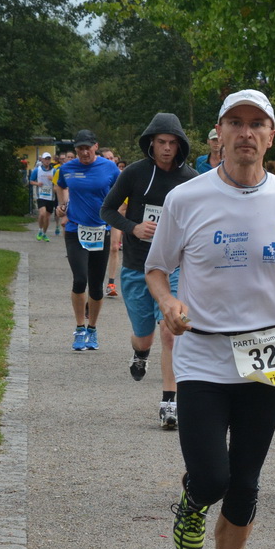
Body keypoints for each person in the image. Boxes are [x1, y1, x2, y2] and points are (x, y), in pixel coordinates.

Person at [148, 90, 275, 549]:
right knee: (212, 476)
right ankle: (193, 502)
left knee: (246, 483)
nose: (245, 133)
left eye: (256, 124)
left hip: (268, 351)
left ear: (269, 136)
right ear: (218, 134)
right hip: (204, 353)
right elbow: (156, 268)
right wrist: (169, 302)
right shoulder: (187, 199)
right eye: (234, 123)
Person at [103, 113, 198, 429]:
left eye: (173, 143)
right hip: (137, 266)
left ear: (180, 145)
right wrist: (133, 227)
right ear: (151, 143)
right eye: (161, 143)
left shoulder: (191, 179)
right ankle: (140, 354)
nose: (167, 149)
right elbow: (106, 210)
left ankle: (169, 402)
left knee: (171, 333)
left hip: (174, 267)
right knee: (144, 337)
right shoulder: (134, 174)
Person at [55, 130, 121, 352]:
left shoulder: (109, 168)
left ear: (96, 146)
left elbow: (121, 191)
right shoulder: (67, 168)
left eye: (87, 147)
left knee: (95, 284)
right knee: (79, 279)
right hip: (75, 229)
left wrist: (116, 212)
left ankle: (92, 328)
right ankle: (79, 327)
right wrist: (62, 206)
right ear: (75, 150)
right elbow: (61, 185)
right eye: (80, 148)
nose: (84, 152)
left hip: (101, 230)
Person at [31, 153, 56, 241]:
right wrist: (37, 183)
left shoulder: (54, 171)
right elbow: (31, 181)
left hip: (50, 196)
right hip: (41, 195)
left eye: (48, 159)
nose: (47, 161)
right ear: (42, 160)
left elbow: (59, 182)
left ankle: (44, 233)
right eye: (45, 159)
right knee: (42, 213)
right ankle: (40, 230)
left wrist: (53, 179)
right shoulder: (37, 170)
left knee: (47, 217)